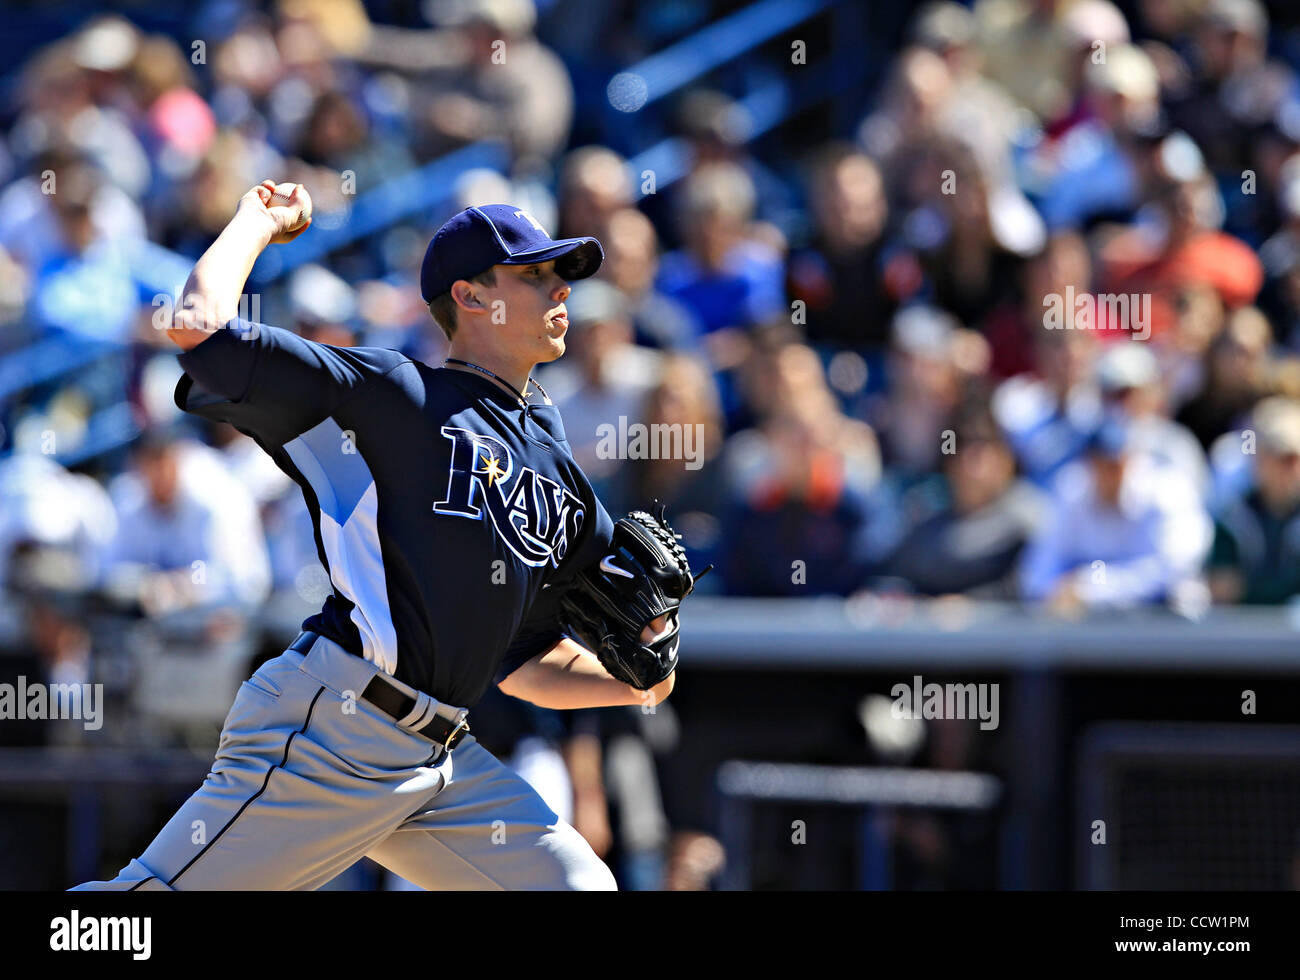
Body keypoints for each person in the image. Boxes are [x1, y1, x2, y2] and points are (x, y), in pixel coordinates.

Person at [72, 183, 678, 891]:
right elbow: (197, 328)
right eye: (535, 275)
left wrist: (641, 679)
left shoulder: (553, 461)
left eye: (561, 277)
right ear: (472, 297)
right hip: (334, 731)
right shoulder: (394, 395)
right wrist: (255, 220)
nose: (561, 293)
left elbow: (523, 661)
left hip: (440, 764)